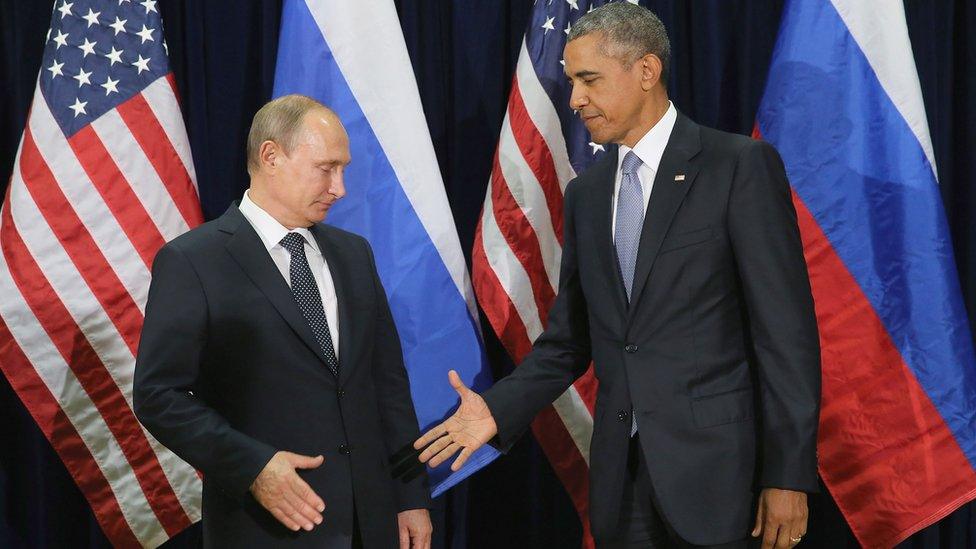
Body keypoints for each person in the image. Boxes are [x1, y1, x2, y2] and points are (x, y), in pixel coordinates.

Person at [415, 4, 820, 549]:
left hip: (720, 482)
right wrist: (496, 409)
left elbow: (785, 337)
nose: (575, 98)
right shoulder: (587, 193)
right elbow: (569, 340)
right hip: (620, 485)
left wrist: (787, 475)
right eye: (571, 81)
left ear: (646, 72)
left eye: (588, 80)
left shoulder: (737, 167)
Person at [134, 94, 432, 549]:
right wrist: (252, 466)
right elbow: (159, 396)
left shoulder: (353, 254)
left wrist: (410, 495)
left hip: (371, 524)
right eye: (326, 168)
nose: (340, 188)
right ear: (271, 156)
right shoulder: (194, 261)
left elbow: (386, 383)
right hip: (266, 527)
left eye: (343, 169)